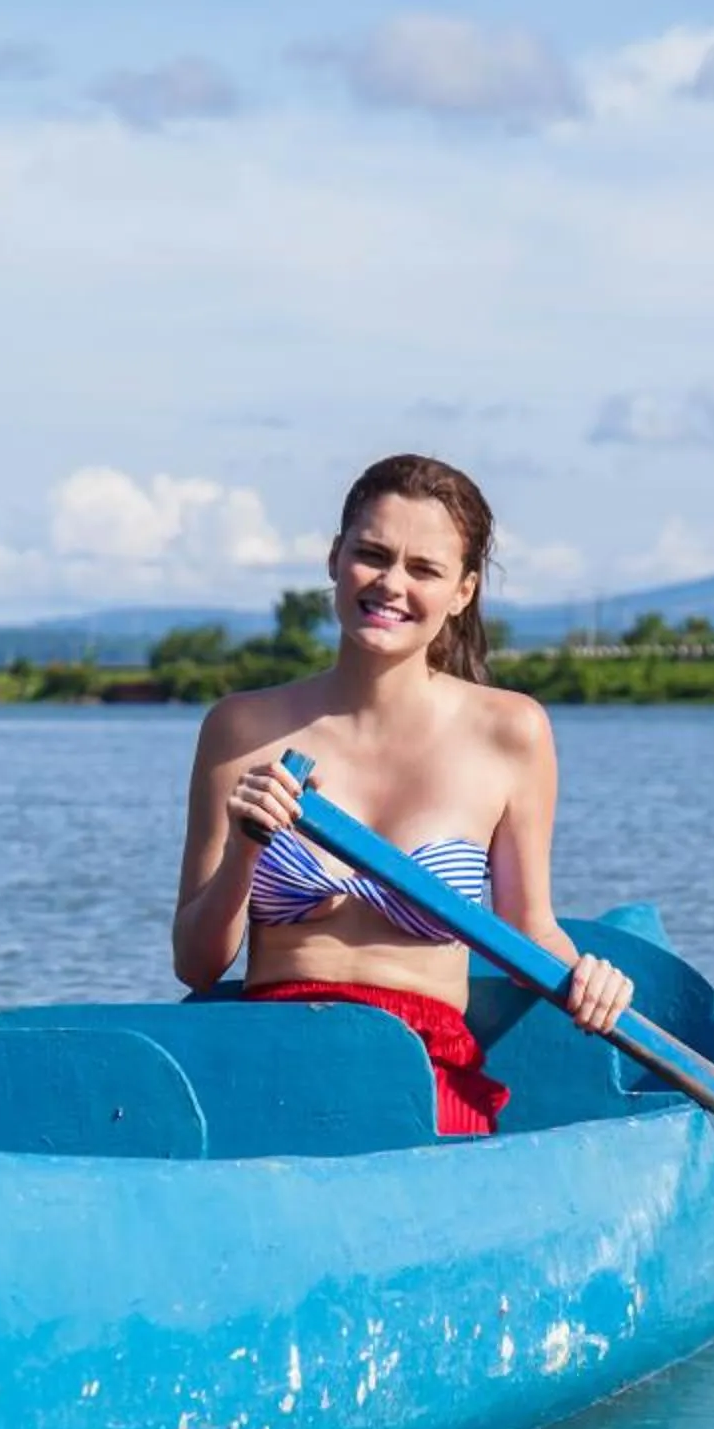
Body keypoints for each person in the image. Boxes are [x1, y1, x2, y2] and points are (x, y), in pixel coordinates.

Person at [171, 453, 635, 1137]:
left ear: (463, 591)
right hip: (267, 1063)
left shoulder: (512, 731)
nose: (390, 584)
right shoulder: (241, 728)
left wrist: (590, 981)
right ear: (335, 558)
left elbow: (529, 929)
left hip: (422, 1069)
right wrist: (244, 851)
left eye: (424, 569)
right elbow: (198, 964)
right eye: (372, 555)